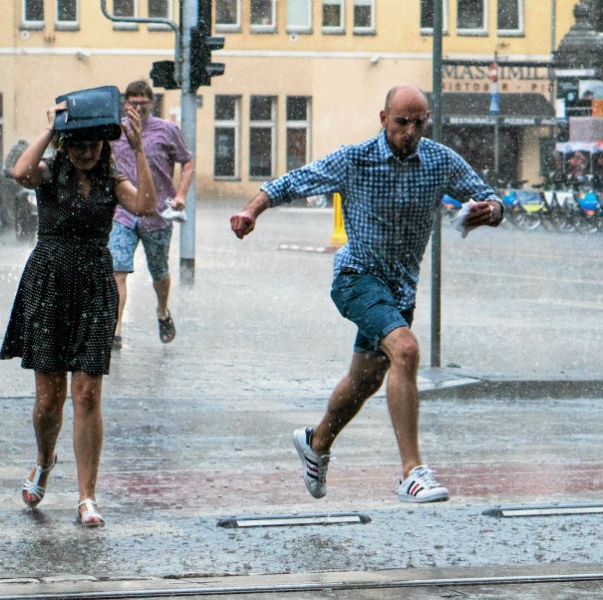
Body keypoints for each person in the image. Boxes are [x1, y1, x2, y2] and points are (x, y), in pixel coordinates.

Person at [230, 84, 504, 503]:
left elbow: (488, 196)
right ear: (383, 119)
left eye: (418, 122)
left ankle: (316, 444)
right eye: (401, 122)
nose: (410, 131)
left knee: (365, 379)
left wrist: (492, 211)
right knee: (407, 350)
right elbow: (293, 181)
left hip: (399, 291)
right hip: (356, 278)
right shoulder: (353, 159)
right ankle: (412, 471)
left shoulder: (439, 160)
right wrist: (252, 210)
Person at [0, 96, 155, 526]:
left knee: (87, 393)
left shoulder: (112, 181)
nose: (87, 151)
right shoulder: (49, 173)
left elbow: (145, 205)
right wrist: (51, 130)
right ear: (66, 145)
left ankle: (87, 495)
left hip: (92, 285)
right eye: (78, 144)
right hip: (49, 280)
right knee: (49, 400)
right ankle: (45, 460)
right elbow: (19, 173)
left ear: (105, 145)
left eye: (94, 144)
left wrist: (138, 149)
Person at [108, 80, 194, 350]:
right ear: (125, 104)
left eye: (143, 104)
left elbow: (187, 161)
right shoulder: (116, 130)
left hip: (157, 214)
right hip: (122, 213)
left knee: (159, 271)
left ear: (151, 103)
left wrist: (180, 195)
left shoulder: (167, 130)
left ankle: (162, 311)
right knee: (118, 271)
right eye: (133, 103)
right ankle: (115, 330)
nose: (138, 108)